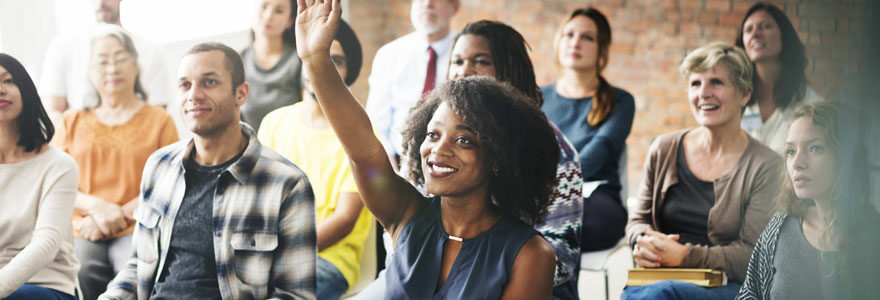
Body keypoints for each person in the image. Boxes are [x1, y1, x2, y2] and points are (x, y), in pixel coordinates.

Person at [296, 1, 557, 299]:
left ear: (498, 156)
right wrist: (316, 58)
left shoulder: (530, 253)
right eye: (433, 134)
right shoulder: (405, 213)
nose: (438, 149)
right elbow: (362, 150)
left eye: (464, 140)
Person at [97, 42, 316, 300]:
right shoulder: (159, 166)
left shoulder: (286, 184)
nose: (194, 95)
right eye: (184, 85)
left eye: (209, 83)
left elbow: (295, 295)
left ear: (241, 94)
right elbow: (138, 266)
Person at [623, 42, 781, 300]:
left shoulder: (766, 166)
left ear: (744, 94)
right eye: (695, 84)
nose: (703, 93)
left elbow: (754, 254)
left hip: (729, 286)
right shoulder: (663, 148)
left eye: (717, 82)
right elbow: (637, 220)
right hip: (658, 278)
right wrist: (643, 242)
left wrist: (685, 256)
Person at [446, 20, 584, 300]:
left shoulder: (554, 151)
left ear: (509, 72)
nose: (463, 71)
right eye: (457, 61)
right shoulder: (435, 142)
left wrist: (477, 275)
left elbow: (561, 256)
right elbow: (410, 221)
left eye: (480, 61)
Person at [56, 24, 178, 300]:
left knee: (134, 273)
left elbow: (170, 182)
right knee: (79, 268)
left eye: (120, 58)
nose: (112, 68)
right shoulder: (71, 120)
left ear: (136, 65)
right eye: (102, 61)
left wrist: (117, 214)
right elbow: (56, 183)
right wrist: (97, 208)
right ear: (90, 72)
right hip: (84, 227)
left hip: (140, 224)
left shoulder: (159, 120)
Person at [258, 19, 369, 300]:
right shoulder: (274, 123)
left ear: (349, 71)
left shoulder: (362, 135)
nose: (323, 66)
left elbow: (344, 219)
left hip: (327, 262)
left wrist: (282, 251)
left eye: (336, 60)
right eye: (316, 57)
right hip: (266, 254)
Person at [542, 7, 633, 252]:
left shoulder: (621, 101)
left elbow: (599, 151)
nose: (575, 42)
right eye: (569, 34)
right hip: (543, 195)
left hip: (595, 199)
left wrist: (553, 185)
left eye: (587, 37)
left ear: (601, 48)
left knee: (565, 221)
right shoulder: (538, 97)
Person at [735, 102, 848, 300]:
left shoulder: (870, 237)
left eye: (815, 148)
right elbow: (749, 294)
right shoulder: (780, 227)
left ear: (843, 156)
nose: (797, 163)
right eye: (791, 151)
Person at [0, 53, 79, 300]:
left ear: (26, 89)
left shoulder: (59, 165)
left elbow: (46, 244)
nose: (0, 90)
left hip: (46, 284)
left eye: (8, 80)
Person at [40, 0, 172, 127]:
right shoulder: (61, 47)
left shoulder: (150, 51)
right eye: (102, 61)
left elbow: (158, 117)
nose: (100, 2)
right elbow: (52, 111)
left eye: (121, 59)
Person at [365, 0, 460, 160]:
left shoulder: (466, 53)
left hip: (452, 161)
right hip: (399, 164)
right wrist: (389, 167)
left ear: (455, 6)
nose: (427, 4)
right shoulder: (389, 54)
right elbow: (376, 123)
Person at [735, 2, 823, 154]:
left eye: (765, 26)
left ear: (784, 35)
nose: (755, 34)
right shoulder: (735, 98)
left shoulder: (811, 104)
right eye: (748, 30)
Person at [241, 0, 303, 131]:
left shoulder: (300, 60)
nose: (268, 16)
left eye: (279, 11)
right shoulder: (238, 62)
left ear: (290, 21)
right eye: (264, 7)